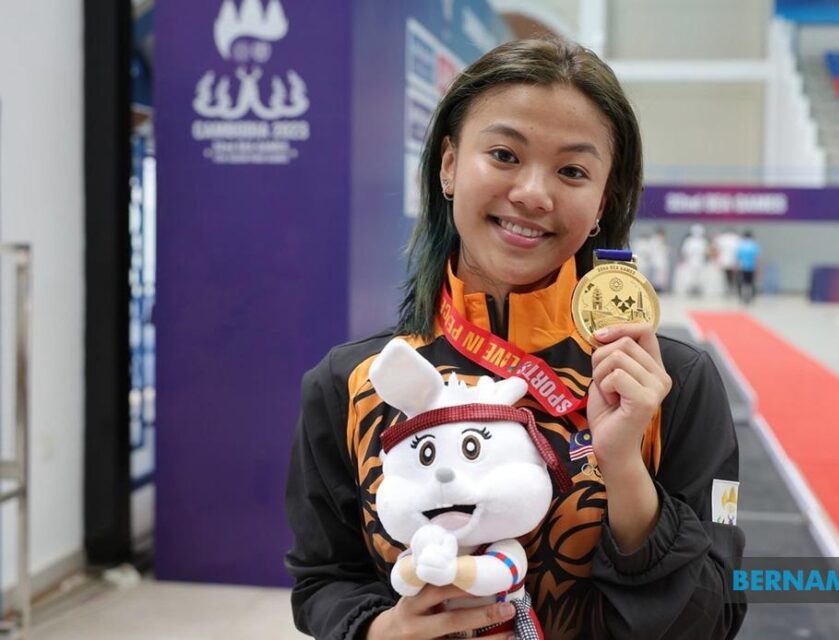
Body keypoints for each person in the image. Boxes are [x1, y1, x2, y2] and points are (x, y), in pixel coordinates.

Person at [285, 37, 746, 640]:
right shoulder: (352, 383)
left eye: (572, 171)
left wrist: (625, 468)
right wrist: (379, 630)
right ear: (449, 165)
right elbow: (323, 581)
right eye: (504, 154)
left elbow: (716, 618)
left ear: (602, 201)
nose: (533, 193)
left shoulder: (671, 384)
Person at [712, 227, 741, 296]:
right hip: (732, 260)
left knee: (728, 276)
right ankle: (730, 288)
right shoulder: (736, 239)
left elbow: (716, 248)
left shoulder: (723, 238)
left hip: (726, 260)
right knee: (731, 276)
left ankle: (729, 288)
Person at [735, 230, 761, 305]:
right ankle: (751, 298)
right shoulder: (754, 245)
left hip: (742, 267)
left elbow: (738, 258)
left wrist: (736, 267)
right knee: (751, 283)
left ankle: (741, 297)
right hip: (751, 267)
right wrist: (758, 268)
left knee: (741, 283)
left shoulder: (741, 245)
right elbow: (757, 258)